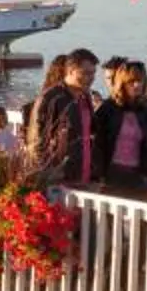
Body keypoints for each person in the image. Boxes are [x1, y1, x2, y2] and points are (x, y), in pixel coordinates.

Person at [89, 60, 147, 198]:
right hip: (111, 176)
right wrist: (98, 175)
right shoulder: (108, 108)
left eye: (140, 81)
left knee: (141, 218)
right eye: (132, 81)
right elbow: (97, 143)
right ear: (122, 83)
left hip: (140, 177)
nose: (137, 85)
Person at [25, 50, 95, 189]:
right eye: (85, 73)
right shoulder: (51, 98)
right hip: (59, 180)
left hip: (83, 177)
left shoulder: (85, 97)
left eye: (93, 73)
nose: (90, 78)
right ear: (70, 70)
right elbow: (37, 141)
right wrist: (48, 175)